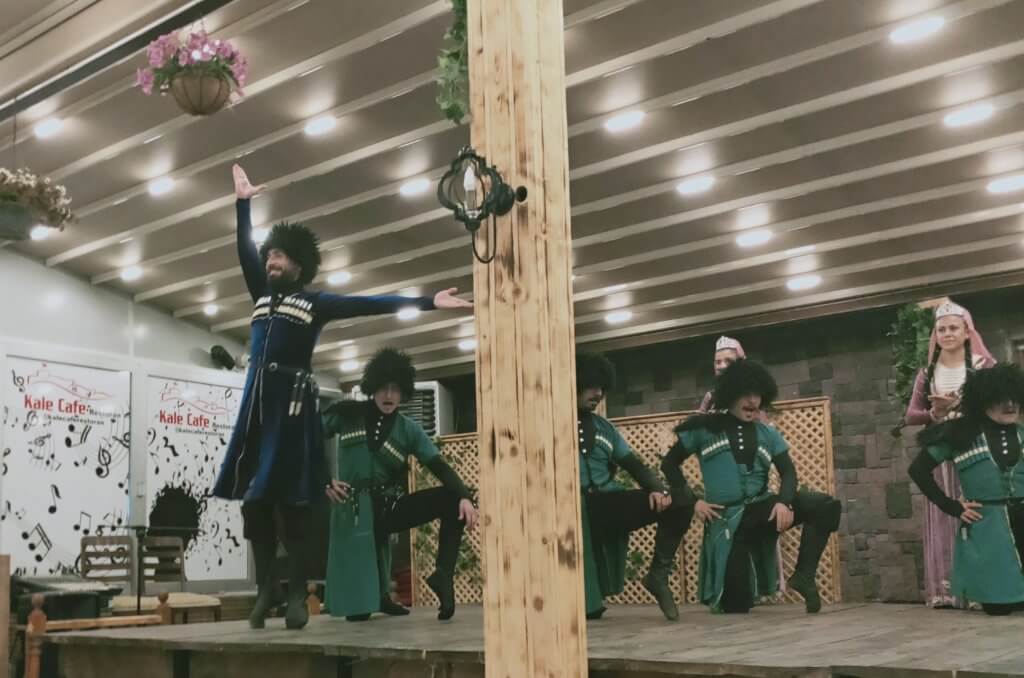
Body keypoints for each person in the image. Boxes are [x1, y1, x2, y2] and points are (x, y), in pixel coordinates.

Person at [211, 165, 472, 631]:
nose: (270, 260)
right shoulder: (260, 296)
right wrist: (243, 204)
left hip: (293, 406)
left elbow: (369, 304)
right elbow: (243, 249)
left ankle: (296, 592)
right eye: (269, 254)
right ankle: (267, 587)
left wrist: (428, 301)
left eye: (279, 255)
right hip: (257, 407)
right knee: (254, 502)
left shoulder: (315, 304)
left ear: (298, 264)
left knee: (295, 504)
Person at [661, 360, 841, 614]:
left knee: (825, 506)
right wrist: (694, 502)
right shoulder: (703, 429)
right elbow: (669, 464)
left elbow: (788, 472)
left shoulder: (768, 434)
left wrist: (784, 502)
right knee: (736, 606)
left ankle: (804, 576)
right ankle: (737, 589)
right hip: (728, 524)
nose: (753, 400)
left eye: (757, 394)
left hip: (761, 510)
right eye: (746, 394)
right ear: (731, 394)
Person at [322, 348, 478, 622]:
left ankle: (442, 575)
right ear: (372, 388)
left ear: (403, 392)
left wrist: (465, 497)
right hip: (354, 509)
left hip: (388, 510)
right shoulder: (346, 415)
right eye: (383, 388)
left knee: (453, 499)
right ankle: (378, 598)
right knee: (358, 614)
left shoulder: (408, 429)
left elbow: (438, 465)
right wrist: (324, 480)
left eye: (395, 389)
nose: (389, 395)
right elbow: (307, 438)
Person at [575, 353, 693, 621]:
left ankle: (657, 576)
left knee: (681, 500)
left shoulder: (605, 428)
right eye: (591, 386)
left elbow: (632, 464)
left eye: (602, 388)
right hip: (569, 511)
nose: (598, 393)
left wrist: (657, 489)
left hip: (605, 506)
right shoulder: (549, 425)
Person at [909, 364, 1024, 615]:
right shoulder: (960, 434)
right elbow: (918, 470)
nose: (1010, 405)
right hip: (989, 531)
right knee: (999, 607)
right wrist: (951, 506)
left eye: (1014, 398)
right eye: (1000, 399)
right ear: (983, 401)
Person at [904, 300, 995, 608]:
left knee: (978, 512)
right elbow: (911, 415)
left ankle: (982, 589)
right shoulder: (927, 373)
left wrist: (959, 404)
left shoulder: (984, 366)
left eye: (954, 327)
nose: (947, 333)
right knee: (946, 514)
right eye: (941, 329)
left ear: (967, 332)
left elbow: (997, 406)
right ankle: (948, 588)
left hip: (976, 449)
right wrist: (934, 412)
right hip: (942, 452)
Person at [697, 336, 746, 412]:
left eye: (729, 361)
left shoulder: (752, 396)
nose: (722, 366)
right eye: (718, 362)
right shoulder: (710, 397)